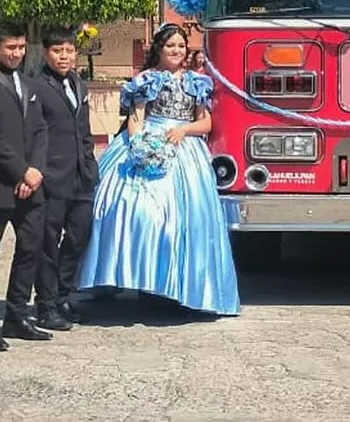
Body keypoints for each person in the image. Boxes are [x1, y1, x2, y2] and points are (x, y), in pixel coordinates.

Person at [77, 23, 240, 317]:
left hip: (184, 150)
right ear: (159, 50)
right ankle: (141, 279)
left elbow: (206, 123)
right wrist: (139, 146)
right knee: (134, 211)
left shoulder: (196, 81)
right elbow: (136, 118)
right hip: (148, 141)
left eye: (180, 45)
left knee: (186, 220)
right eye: (170, 46)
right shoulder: (146, 80)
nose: (176, 50)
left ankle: (179, 286)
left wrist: (185, 130)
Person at [0, 21, 52, 344]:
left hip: (31, 185)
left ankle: (17, 314)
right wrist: (21, 171)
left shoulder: (29, 84)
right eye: (11, 48)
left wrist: (35, 171)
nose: (17, 53)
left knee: (31, 247)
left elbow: (40, 131)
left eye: (21, 48)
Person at [31, 27, 99, 330]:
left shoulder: (78, 83)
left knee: (77, 238)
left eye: (69, 50)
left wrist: (90, 165)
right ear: (46, 53)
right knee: (47, 243)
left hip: (81, 176)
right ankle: (45, 305)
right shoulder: (36, 86)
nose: (65, 56)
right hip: (51, 177)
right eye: (58, 51)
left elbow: (83, 130)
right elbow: (33, 133)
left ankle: (62, 295)